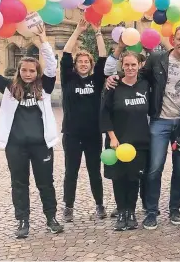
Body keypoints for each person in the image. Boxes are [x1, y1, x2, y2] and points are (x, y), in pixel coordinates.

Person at [106, 25, 180, 230]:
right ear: (173, 40)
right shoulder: (158, 59)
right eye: (179, 39)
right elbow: (136, 74)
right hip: (159, 121)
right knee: (154, 168)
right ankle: (151, 211)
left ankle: (174, 208)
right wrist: (115, 77)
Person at [0, 23, 63, 238]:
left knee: (46, 183)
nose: (27, 74)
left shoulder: (44, 88)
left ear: (37, 72)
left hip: (41, 145)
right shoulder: (8, 87)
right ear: (19, 71)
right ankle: (23, 221)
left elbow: (53, 66)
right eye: (24, 70)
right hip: (15, 146)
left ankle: (51, 218)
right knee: (19, 184)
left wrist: (43, 41)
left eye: (31, 70)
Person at [60, 18, 107, 222]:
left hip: (92, 134)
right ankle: (68, 207)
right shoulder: (69, 79)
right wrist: (78, 30)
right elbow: (65, 54)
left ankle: (99, 205)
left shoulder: (96, 81)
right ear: (76, 65)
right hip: (71, 133)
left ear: (90, 64)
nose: (83, 64)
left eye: (86, 61)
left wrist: (98, 32)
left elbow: (103, 56)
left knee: (94, 172)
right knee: (71, 172)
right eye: (80, 62)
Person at [100, 51, 150, 231]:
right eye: (126, 65)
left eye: (133, 65)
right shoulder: (113, 87)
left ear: (139, 66)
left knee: (133, 178)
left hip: (139, 142)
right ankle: (121, 212)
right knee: (118, 178)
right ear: (122, 65)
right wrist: (112, 137)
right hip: (117, 142)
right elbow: (104, 113)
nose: (129, 68)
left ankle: (131, 211)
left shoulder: (145, 85)